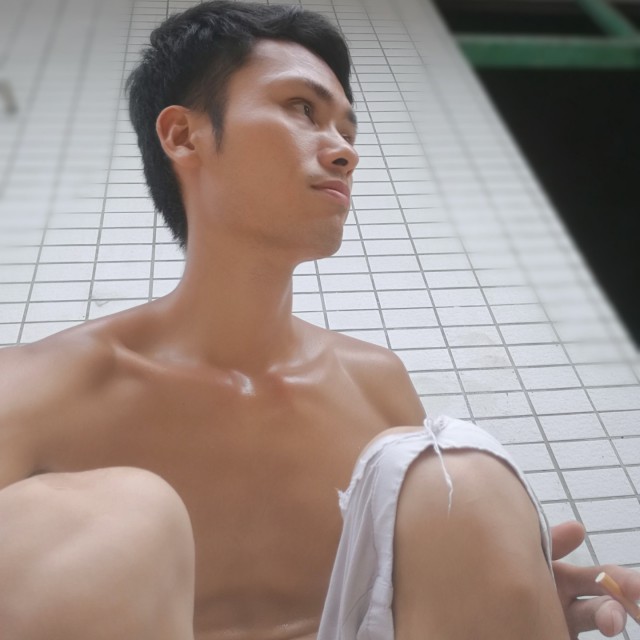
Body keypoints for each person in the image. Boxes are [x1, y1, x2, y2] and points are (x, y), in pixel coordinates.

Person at [0, 2, 637, 639]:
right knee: (118, 519)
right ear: (184, 136)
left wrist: (490, 597)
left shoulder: (376, 388)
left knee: (464, 483)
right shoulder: (30, 390)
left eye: (348, 131)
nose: (343, 152)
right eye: (302, 109)